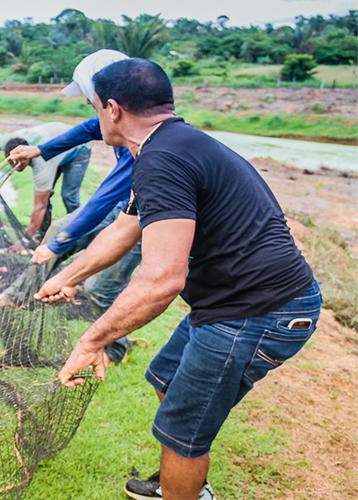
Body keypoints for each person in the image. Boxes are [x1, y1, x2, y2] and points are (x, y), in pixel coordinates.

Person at [35, 58, 320, 500]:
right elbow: (124, 229)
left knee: (182, 432)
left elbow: (162, 279)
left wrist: (91, 341)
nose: (95, 117)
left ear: (111, 109)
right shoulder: (168, 145)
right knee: (166, 376)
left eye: (93, 108)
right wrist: (69, 276)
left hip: (260, 310)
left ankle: (184, 487)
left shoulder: (162, 160)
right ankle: (183, 485)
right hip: (236, 301)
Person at [0, 121, 91, 242]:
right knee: (46, 196)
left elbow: (40, 206)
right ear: (7, 154)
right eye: (12, 161)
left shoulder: (41, 163)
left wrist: (24, 241)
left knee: (69, 196)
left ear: (28, 156)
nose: (17, 165)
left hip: (78, 147)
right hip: (53, 135)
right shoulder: (5, 142)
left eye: (22, 161)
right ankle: (42, 234)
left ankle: (81, 232)